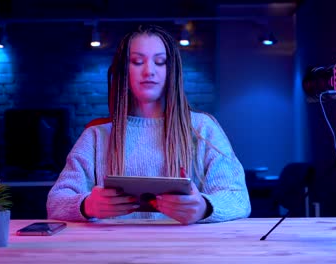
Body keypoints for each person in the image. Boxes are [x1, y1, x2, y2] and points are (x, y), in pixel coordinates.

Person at [46, 25, 251, 225]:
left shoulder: (204, 129)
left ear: (172, 71)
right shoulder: (96, 137)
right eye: (137, 61)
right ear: (123, 71)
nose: (149, 71)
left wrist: (204, 207)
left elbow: (239, 199)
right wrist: (87, 205)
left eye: (160, 62)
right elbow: (55, 202)